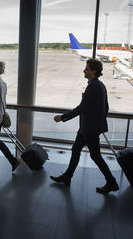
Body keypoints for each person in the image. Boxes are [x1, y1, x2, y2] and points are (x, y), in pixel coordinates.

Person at [50, 59, 119, 193]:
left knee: (96, 156)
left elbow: (82, 108)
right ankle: (67, 176)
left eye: (87, 69)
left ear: (94, 71)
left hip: (90, 129)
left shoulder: (93, 86)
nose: (84, 71)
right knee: (76, 149)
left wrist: (62, 117)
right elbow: (106, 107)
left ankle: (112, 182)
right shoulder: (100, 85)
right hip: (87, 128)